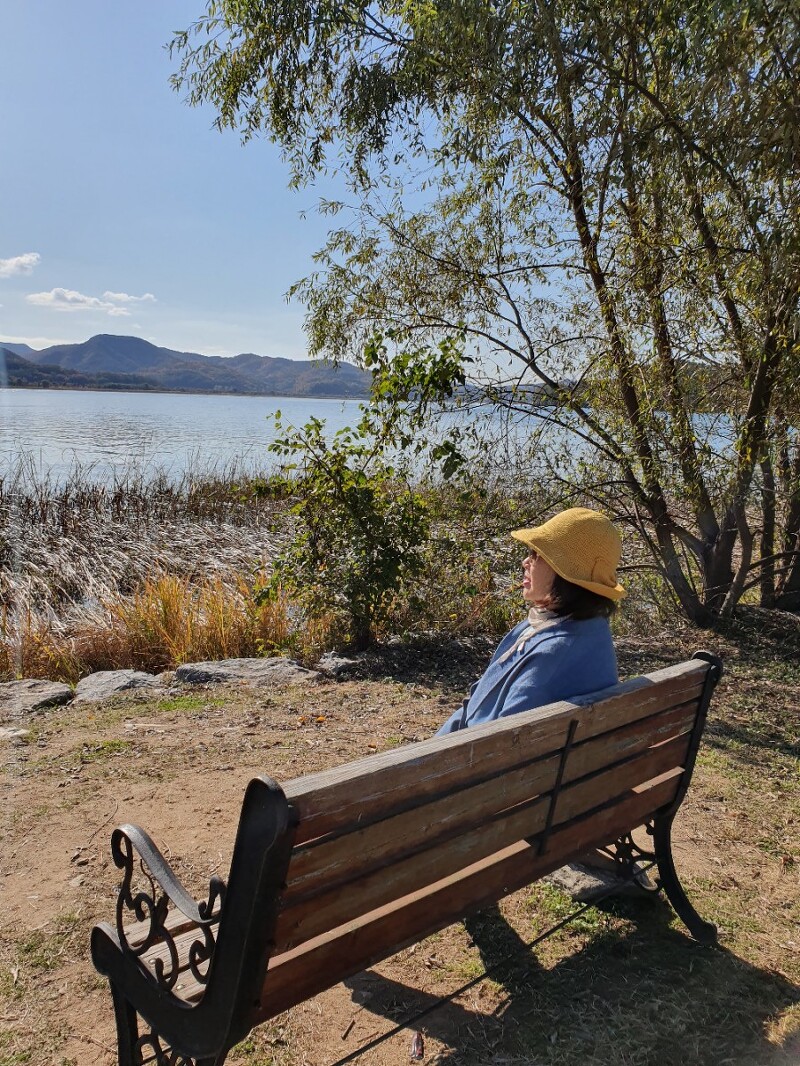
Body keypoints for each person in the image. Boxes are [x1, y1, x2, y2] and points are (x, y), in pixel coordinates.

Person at [437, 507, 625, 735]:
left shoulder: (553, 653)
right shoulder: (590, 629)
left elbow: (500, 743)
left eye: (537, 555)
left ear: (565, 573)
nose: (526, 562)